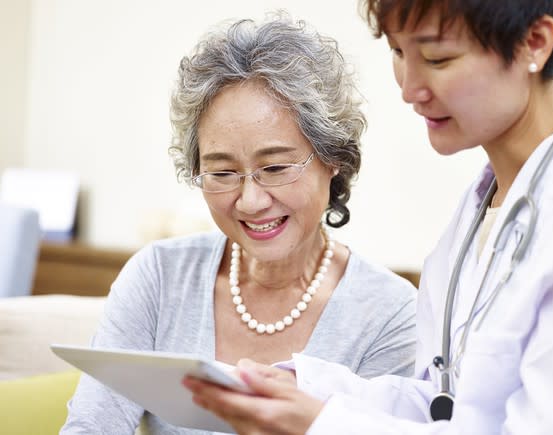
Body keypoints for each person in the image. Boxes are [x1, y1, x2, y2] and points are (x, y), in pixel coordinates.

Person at [182, 1, 553, 434]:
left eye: (436, 59)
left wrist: (323, 425)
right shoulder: (476, 216)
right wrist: (305, 388)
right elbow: (445, 404)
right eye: (398, 52)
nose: (410, 89)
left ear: (534, 43)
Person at [60, 12, 418, 435]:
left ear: (333, 159)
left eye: (276, 167)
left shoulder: (388, 314)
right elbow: (89, 428)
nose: (250, 201)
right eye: (223, 172)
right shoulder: (159, 277)